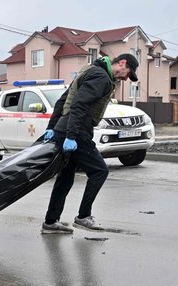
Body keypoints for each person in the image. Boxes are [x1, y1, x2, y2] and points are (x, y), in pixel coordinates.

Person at [41, 53, 138, 233]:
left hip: (67, 129)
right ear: (122, 63)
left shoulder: (89, 70)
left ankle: (50, 221)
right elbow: (78, 104)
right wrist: (71, 135)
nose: (125, 78)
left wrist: (53, 126)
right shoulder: (101, 77)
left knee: (65, 178)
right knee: (100, 171)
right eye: (128, 73)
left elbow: (64, 99)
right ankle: (83, 216)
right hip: (77, 131)